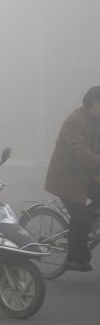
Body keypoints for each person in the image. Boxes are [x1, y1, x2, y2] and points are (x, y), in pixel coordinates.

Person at [45, 86, 100, 272]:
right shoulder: (74, 122)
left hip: (85, 175)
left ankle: (87, 223)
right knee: (80, 216)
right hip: (66, 179)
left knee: (89, 212)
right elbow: (81, 152)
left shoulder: (96, 120)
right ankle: (74, 258)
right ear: (94, 104)